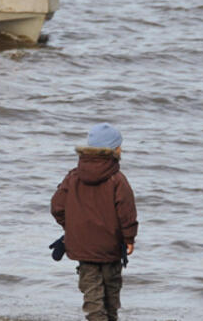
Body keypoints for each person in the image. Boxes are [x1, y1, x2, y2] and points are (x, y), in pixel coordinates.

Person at [51, 123, 138, 321]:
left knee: (92, 296)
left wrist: (71, 228)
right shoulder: (118, 179)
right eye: (120, 146)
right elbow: (127, 213)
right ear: (114, 150)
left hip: (82, 246)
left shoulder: (73, 176)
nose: (121, 149)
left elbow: (57, 206)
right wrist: (129, 238)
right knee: (110, 296)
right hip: (110, 247)